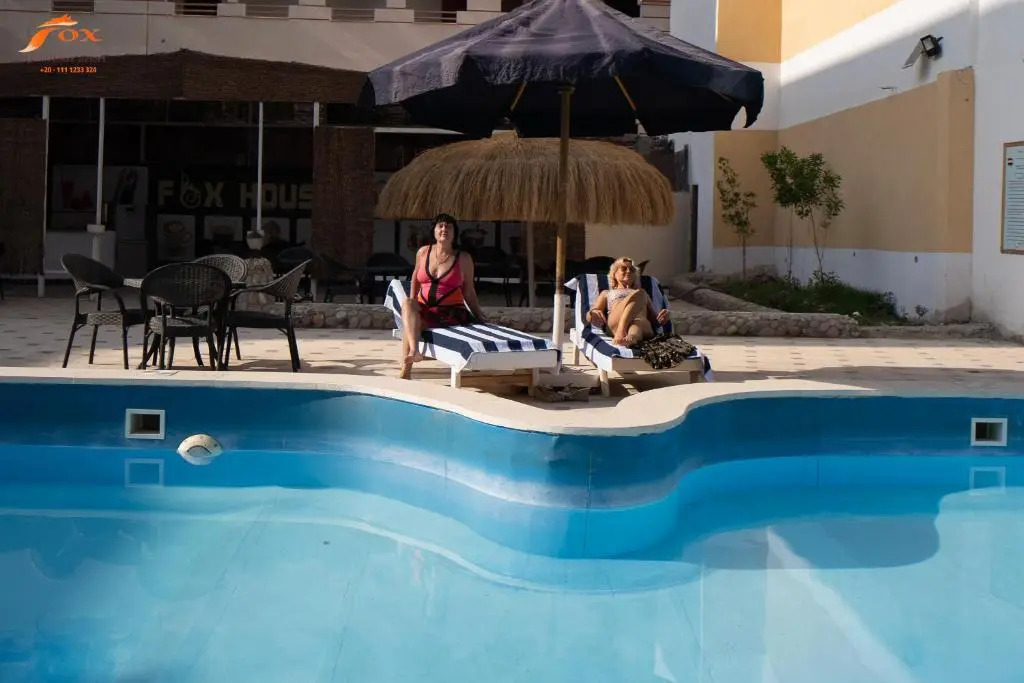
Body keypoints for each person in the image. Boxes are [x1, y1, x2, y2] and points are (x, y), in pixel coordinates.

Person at [399, 213, 488, 379]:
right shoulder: (423, 252)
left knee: (411, 327)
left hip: (451, 313)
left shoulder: (463, 258)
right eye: (440, 226)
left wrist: (479, 314)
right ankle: (414, 352)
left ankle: (406, 370)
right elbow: (415, 278)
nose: (444, 229)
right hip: (426, 309)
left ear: (455, 233)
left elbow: (469, 292)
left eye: (449, 227)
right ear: (434, 230)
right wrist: (412, 305)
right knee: (408, 306)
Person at [585, 256, 670, 346]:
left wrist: (664, 317)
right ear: (614, 273)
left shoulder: (641, 292)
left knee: (637, 321)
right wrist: (592, 314)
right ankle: (625, 333)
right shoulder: (607, 293)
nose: (628, 271)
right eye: (624, 269)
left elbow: (655, 321)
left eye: (632, 270)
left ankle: (630, 337)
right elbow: (592, 313)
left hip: (642, 325)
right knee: (640, 295)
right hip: (616, 324)